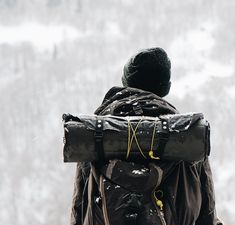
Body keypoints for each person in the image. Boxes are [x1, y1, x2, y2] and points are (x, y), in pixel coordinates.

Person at [70, 47, 223, 225]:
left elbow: (79, 208)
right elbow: (207, 212)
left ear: (126, 82)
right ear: (166, 87)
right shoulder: (187, 136)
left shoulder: (96, 136)